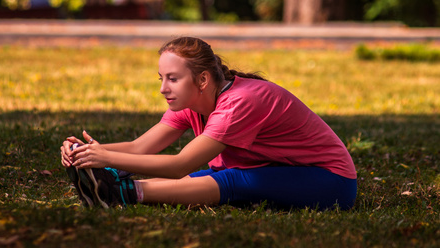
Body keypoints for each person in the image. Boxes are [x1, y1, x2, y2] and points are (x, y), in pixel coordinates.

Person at [60, 36, 357, 210]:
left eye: (173, 79)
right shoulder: (193, 101)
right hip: (279, 170)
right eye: (161, 79)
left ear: (202, 79)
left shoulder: (240, 102)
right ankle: (113, 180)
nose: (164, 88)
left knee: (231, 180)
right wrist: (87, 154)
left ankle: (122, 193)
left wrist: (104, 157)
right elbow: (140, 147)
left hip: (330, 181)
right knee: (213, 174)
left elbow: (180, 164)